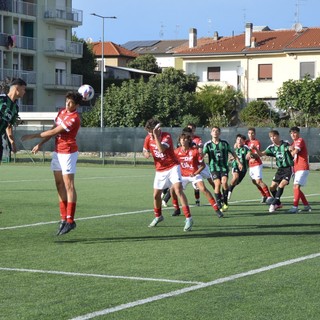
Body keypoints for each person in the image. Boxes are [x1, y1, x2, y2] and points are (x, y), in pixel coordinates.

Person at [21, 91, 83, 235]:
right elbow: (52, 131)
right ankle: (63, 219)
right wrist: (40, 144)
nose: (67, 104)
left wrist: (33, 136)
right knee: (59, 184)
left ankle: (70, 220)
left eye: (71, 102)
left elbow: (56, 130)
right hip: (57, 151)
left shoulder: (74, 118)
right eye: (66, 101)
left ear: (77, 105)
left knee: (69, 185)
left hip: (68, 152)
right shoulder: (61, 112)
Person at [143, 118, 193, 231]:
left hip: (173, 167)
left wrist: (155, 136)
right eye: (149, 132)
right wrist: (146, 153)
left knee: (178, 190)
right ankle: (158, 216)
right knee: (156, 195)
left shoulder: (167, 136)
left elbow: (161, 150)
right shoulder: (148, 138)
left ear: (157, 129)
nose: (149, 134)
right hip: (160, 170)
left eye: (151, 131)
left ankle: (189, 218)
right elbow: (145, 149)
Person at [171, 132, 223, 218]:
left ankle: (216, 209)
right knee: (172, 189)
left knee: (203, 189)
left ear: (189, 141)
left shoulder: (194, 151)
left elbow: (202, 165)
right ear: (179, 141)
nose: (183, 141)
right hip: (183, 176)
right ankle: (176, 209)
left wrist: (195, 173)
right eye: (181, 139)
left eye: (185, 139)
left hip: (194, 174)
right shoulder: (176, 152)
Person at [202, 126, 243, 211]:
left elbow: (233, 153)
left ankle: (225, 202)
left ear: (219, 133)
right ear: (211, 133)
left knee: (224, 183)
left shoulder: (224, 143)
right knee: (217, 184)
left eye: (217, 131)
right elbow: (201, 155)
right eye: (213, 131)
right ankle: (218, 202)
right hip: (214, 168)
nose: (215, 132)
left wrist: (239, 163)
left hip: (224, 167)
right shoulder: (208, 145)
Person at [254, 130, 294, 213]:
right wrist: (255, 150)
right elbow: (261, 154)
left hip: (288, 168)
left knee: (281, 184)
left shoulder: (285, 144)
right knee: (272, 188)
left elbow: (291, 149)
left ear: (278, 136)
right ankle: (278, 203)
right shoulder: (271, 148)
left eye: (274, 136)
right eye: (271, 137)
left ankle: (273, 204)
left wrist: (291, 149)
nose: (272, 138)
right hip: (280, 170)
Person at [0, 78, 27, 157]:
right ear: (17, 88)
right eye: (23, 89)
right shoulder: (1, 99)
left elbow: (9, 126)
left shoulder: (15, 108)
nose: (24, 92)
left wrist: (12, 142)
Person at [245, 127, 273, 204]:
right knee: (254, 182)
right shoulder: (246, 142)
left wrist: (250, 153)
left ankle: (269, 197)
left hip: (257, 164)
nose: (250, 135)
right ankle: (264, 195)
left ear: (255, 134)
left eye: (252, 133)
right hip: (250, 166)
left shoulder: (256, 142)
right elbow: (240, 145)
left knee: (259, 181)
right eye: (249, 133)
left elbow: (257, 155)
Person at [288, 126, 311, 213]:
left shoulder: (300, 140)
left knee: (296, 186)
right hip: (296, 168)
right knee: (296, 188)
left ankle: (295, 207)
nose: (293, 134)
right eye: (291, 133)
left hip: (302, 167)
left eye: (295, 132)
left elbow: (294, 152)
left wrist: (291, 150)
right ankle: (306, 205)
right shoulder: (293, 143)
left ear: (298, 133)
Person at [228, 134, 251, 200]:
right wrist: (232, 158)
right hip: (235, 165)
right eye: (238, 139)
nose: (239, 141)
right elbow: (233, 155)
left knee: (236, 182)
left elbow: (250, 151)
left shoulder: (245, 147)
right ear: (236, 140)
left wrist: (249, 153)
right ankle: (228, 192)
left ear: (243, 141)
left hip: (244, 168)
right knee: (235, 177)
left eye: (241, 140)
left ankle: (229, 189)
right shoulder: (234, 148)